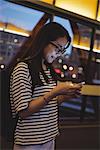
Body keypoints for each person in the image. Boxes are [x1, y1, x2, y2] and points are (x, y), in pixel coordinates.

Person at [10, 22, 82, 150]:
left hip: (49, 136)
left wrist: (64, 97)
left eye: (62, 50)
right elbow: (23, 112)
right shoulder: (23, 69)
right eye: (58, 48)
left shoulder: (48, 70)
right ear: (44, 41)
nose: (59, 53)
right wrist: (54, 92)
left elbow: (47, 103)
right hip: (30, 141)